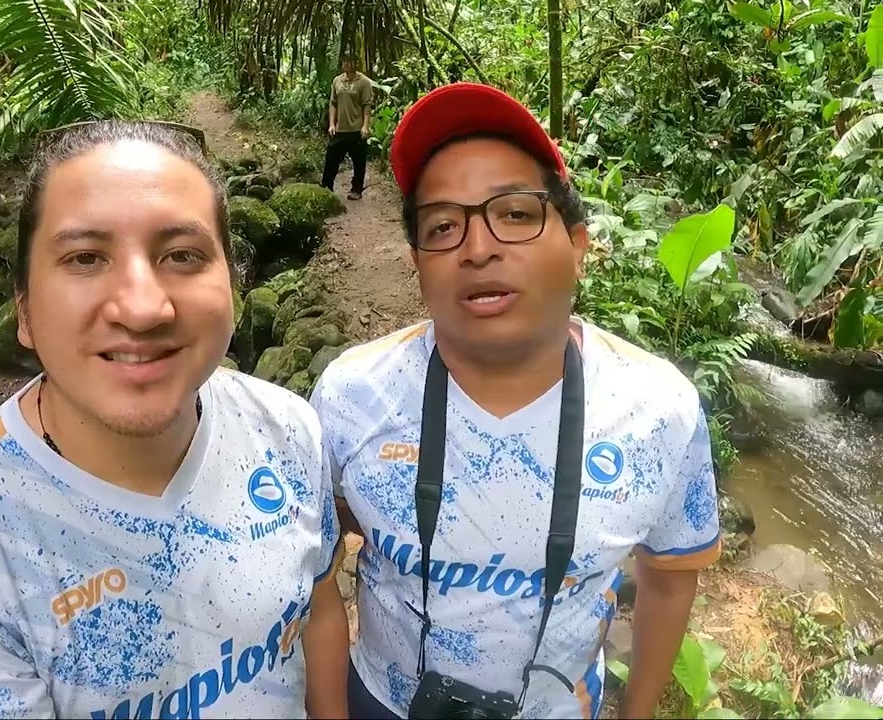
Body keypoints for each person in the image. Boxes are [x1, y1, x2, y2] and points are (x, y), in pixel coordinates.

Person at [0, 120, 348, 720]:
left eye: (183, 255)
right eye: (85, 258)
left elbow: (320, 605)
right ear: (23, 311)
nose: (142, 307)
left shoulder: (287, 429)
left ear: (235, 283)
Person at [309, 82, 721, 720]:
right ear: (417, 261)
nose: (478, 248)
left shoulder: (660, 409)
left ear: (578, 244)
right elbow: (315, 567)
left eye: (516, 214)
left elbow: (669, 580)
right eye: (443, 226)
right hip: (384, 700)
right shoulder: (350, 393)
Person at [321, 55, 373, 201]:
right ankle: (326, 186)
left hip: (356, 128)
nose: (346, 64)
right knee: (331, 158)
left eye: (349, 61)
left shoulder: (363, 82)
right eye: (344, 61)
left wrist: (365, 126)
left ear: (356, 63)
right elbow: (333, 103)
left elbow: (367, 105)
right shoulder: (337, 81)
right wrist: (332, 124)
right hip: (340, 128)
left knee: (358, 161)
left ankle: (356, 189)